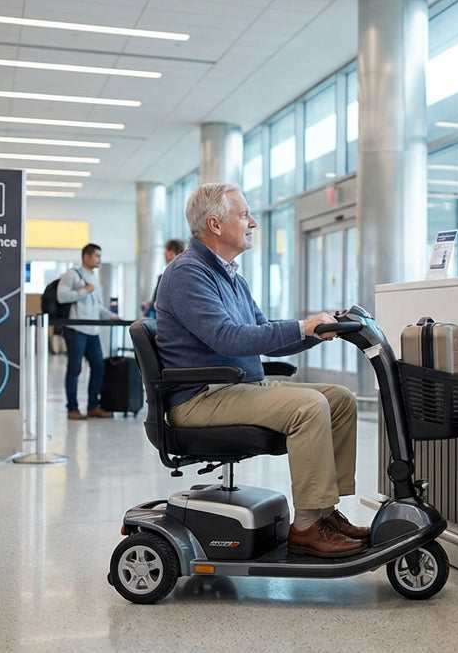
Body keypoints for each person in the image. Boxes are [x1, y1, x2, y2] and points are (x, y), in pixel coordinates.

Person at [156, 182, 367, 558]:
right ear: (216, 224)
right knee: (309, 406)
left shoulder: (230, 276)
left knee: (339, 398)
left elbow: (260, 332)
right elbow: (228, 338)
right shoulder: (187, 274)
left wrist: (317, 331)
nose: (253, 222)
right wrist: (302, 326)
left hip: (234, 389)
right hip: (201, 397)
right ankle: (306, 528)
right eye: (244, 215)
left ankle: (323, 512)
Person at [57, 244, 121, 420]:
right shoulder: (72, 275)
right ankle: (72, 408)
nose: (99, 259)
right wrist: (84, 290)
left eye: (100, 256)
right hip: (76, 330)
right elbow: (61, 297)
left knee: (98, 366)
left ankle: (93, 406)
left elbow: (97, 306)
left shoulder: (94, 278)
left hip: (92, 331)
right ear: (86, 257)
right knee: (75, 369)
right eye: (96, 256)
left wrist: (112, 316)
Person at [142, 238, 185, 318]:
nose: (165, 255)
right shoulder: (182, 275)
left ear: (174, 253)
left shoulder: (170, 277)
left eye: (167, 252)